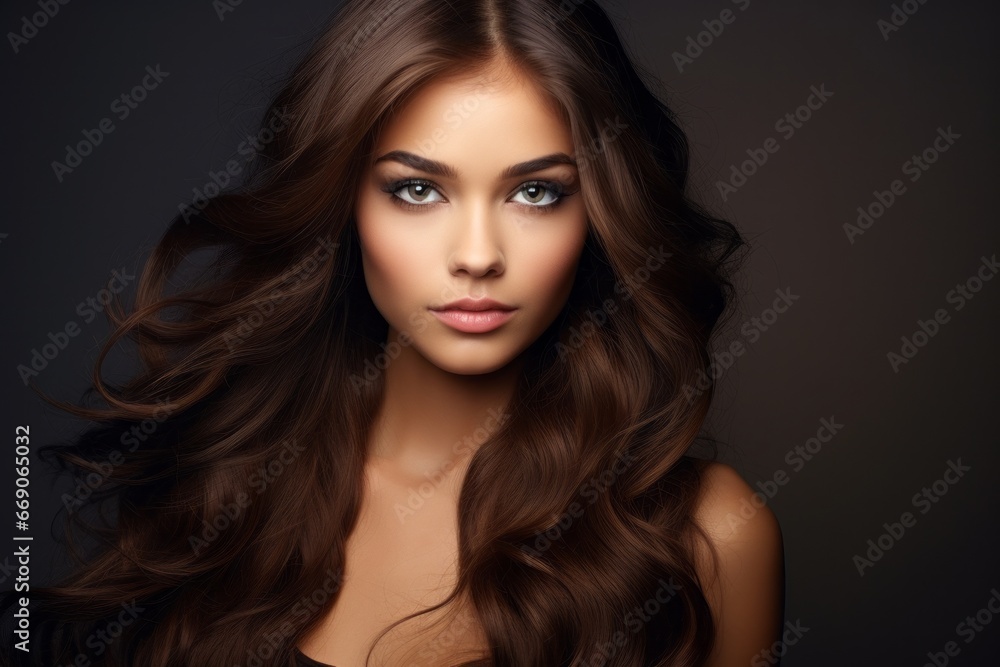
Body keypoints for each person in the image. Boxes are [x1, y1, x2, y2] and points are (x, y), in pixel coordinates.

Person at [0, 0, 783, 665]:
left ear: (602, 213)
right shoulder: (217, 479)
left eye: (537, 192)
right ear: (345, 204)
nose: (477, 255)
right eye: (417, 189)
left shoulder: (708, 537)